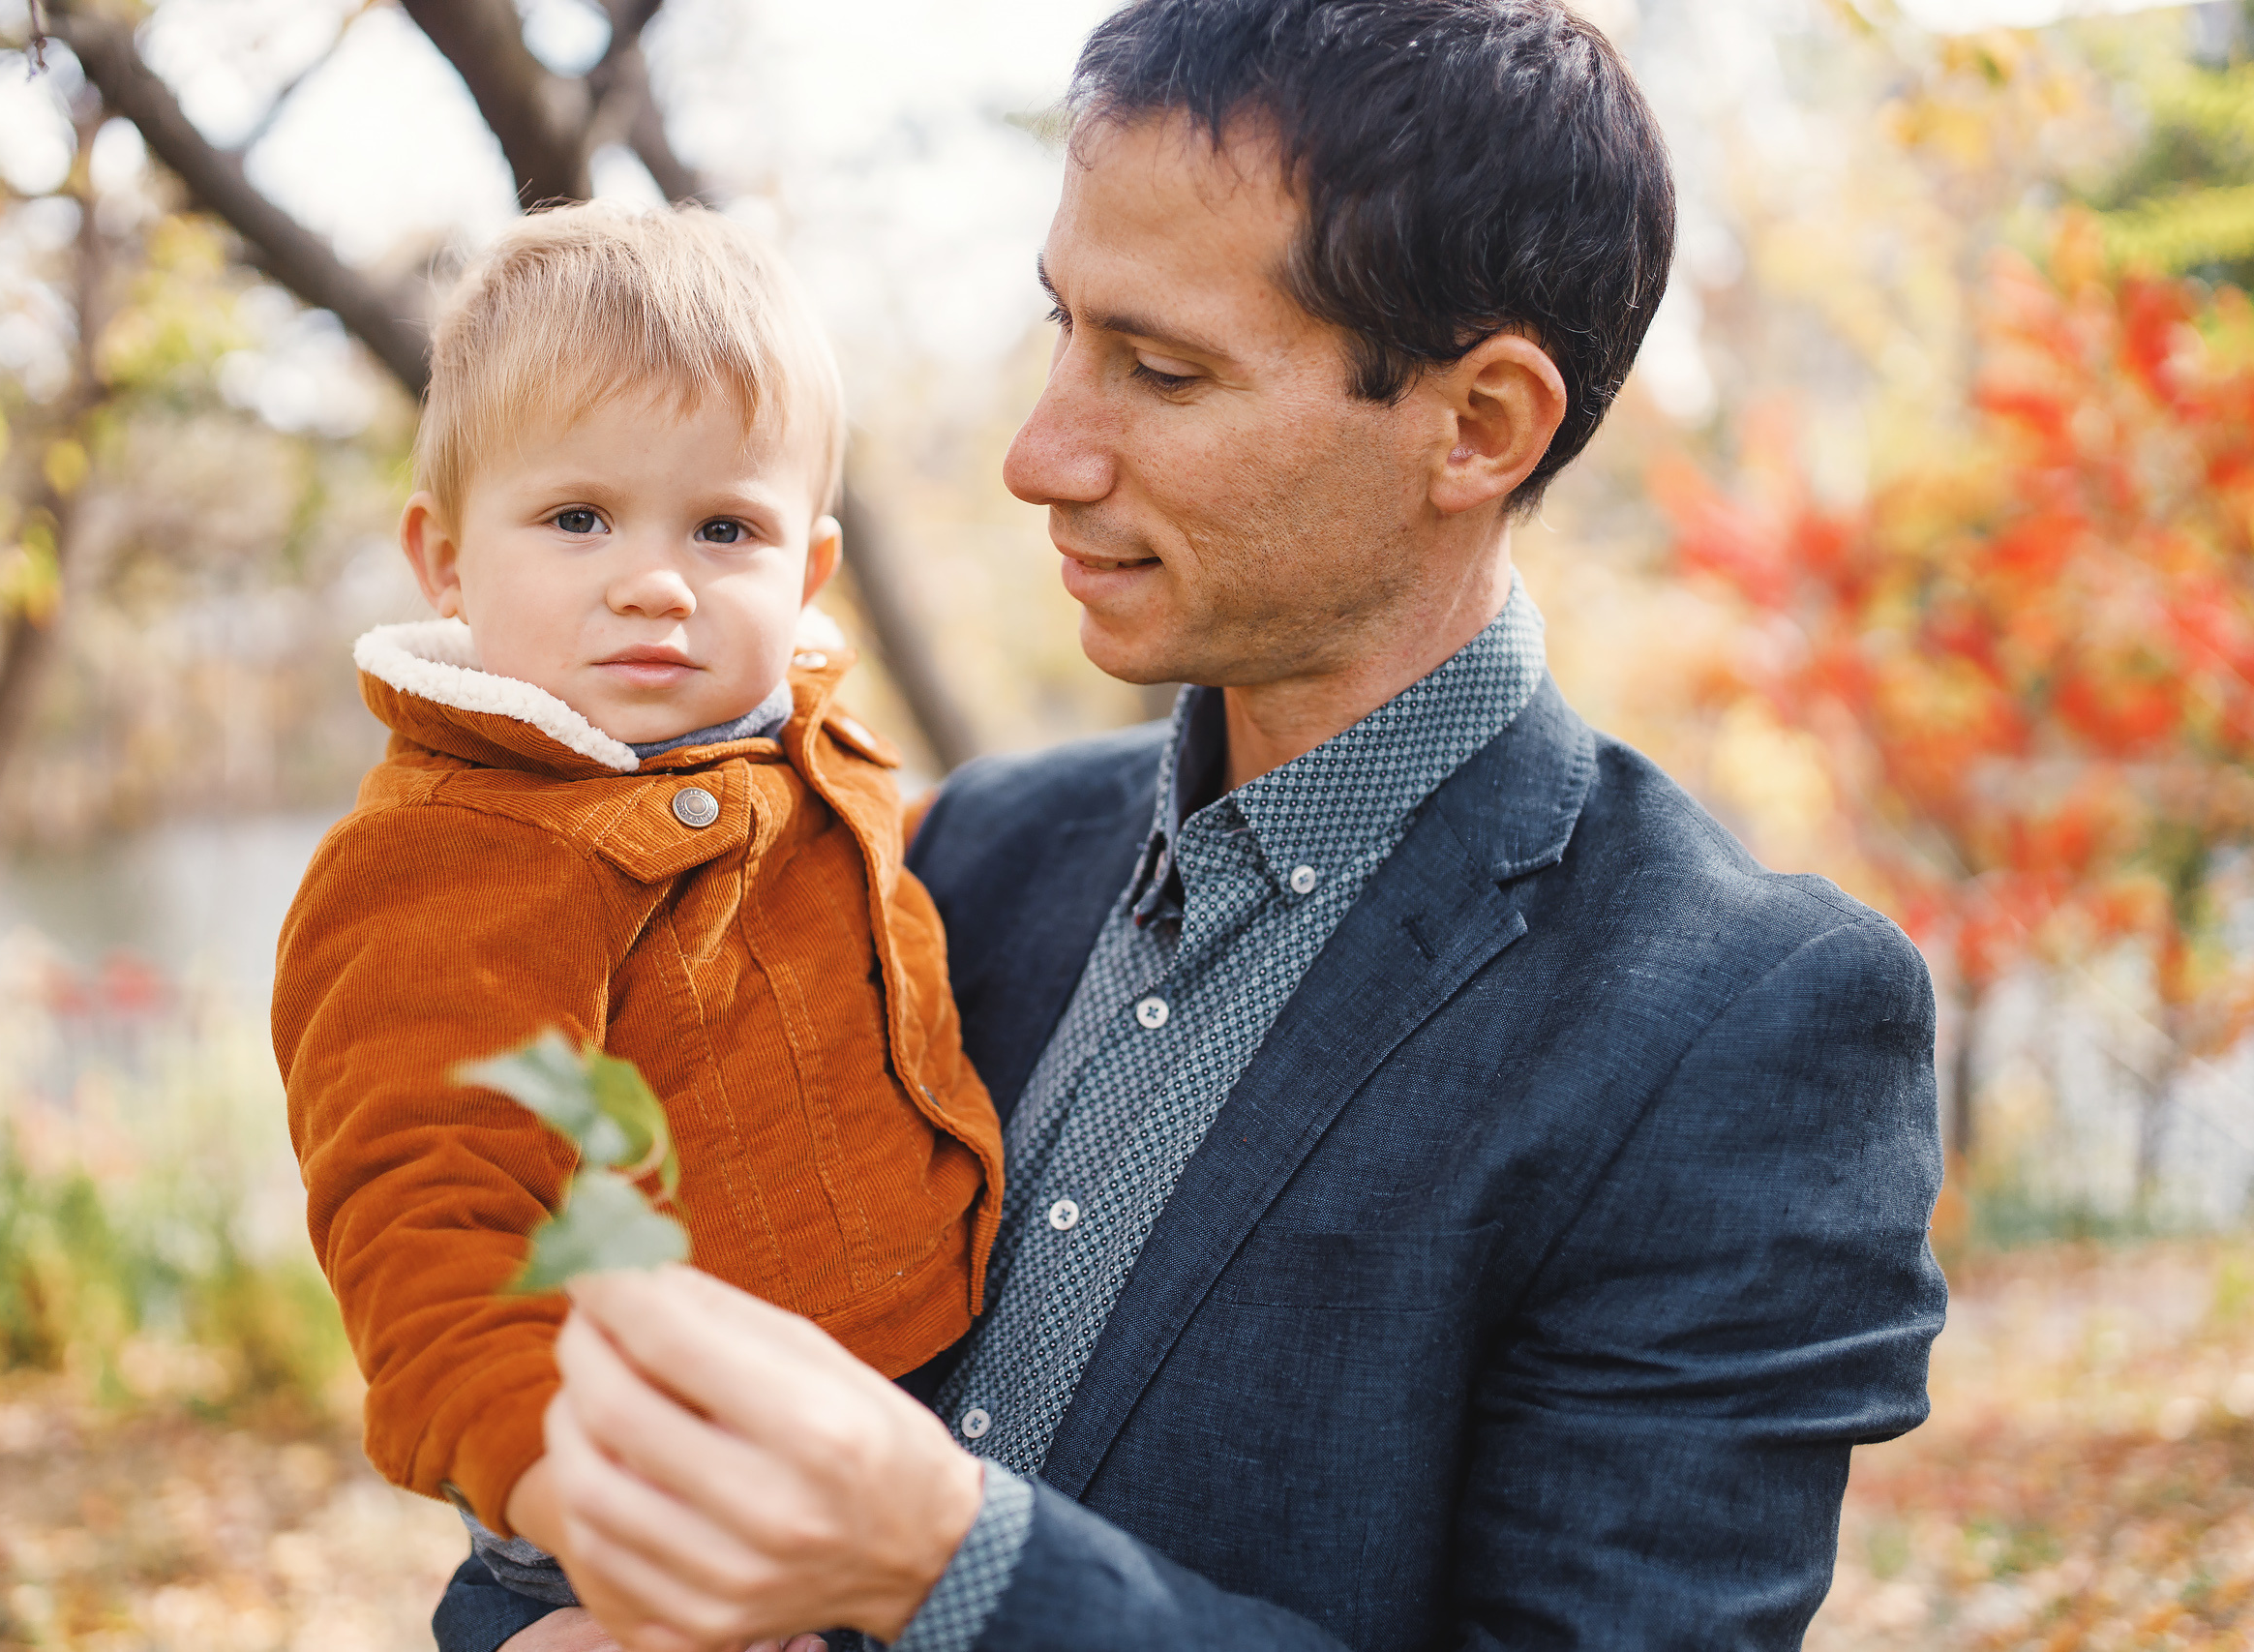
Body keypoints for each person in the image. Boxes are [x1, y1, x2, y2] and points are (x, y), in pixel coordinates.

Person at [472, 2, 1951, 1648]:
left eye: (1160, 371)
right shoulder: (962, 857)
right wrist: (539, 1610)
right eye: (1063, 328)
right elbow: (605, 1407)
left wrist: (944, 1562)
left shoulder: (1744, 1025)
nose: (1040, 453)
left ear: (1481, 426)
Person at [271, 201, 1002, 1652]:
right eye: (577, 517)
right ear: (447, 563)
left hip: (891, 1429)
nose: (654, 578)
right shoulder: (451, 859)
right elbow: (424, 1215)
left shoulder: (794, 752)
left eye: (724, 526)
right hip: (642, 1498)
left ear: (806, 571)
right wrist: (579, 1506)